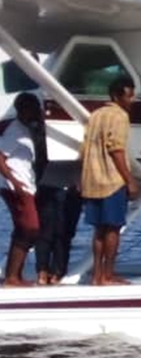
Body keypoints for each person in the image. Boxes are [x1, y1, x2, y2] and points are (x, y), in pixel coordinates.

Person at [79, 76, 139, 285]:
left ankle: (97, 275)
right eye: (129, 96)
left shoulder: (95, 115)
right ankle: (108, 275)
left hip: (92, 180)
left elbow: (84, 149)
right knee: (113, 228)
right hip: (112, 180)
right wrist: (130, 180)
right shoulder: (120, 116)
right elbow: (116, 149)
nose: (132, 100)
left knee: (99, 230)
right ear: (117, 96)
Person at [0, 93, 43, 286]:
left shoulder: (26, 129)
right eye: (34, 108)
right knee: (30, 227)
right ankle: (12, 276)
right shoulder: (15, 132)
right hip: (17, 186)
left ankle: (14, 275)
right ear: (23, 110)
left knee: (23, 229)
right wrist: (15, 183)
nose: (38, 111)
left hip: (25, 184)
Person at [34, 162, 83, 285]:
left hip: (49, 183)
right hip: (69, 186)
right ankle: (55, 271)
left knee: (47, 232)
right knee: (63, 234)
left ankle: (44, 271)